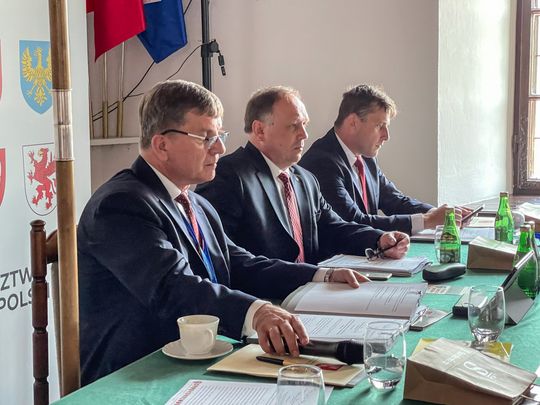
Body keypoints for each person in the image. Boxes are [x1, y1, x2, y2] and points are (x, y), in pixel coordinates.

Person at [77, 80, 373, 385]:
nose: (219, 148)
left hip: (202, 359)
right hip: (136, 376)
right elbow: (172, 285)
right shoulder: (120, 204)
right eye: (206, 137)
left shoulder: (197, 203)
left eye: (220, 136)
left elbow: (239, 264)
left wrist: (321, 276)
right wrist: (256, 312)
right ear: (162, 145)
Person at [196, 86, 409, 265]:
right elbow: (226, 257)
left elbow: (332, 227)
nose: (304, 134)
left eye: (304, 124)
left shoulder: (305, 179)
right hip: (266, 296)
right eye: (293, 126)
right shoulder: (228, 176)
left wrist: (379, 240)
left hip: (310, 290)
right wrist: (317, 276)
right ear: (260, 130)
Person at [299, 84, 471, 234]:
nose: (386, 136)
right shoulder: (322, 162)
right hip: (337, 259)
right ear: (353, 123)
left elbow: (394, 201)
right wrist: (427, 220)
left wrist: (441, 214)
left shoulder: (365, 157)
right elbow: (354, 222)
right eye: (380, 126)